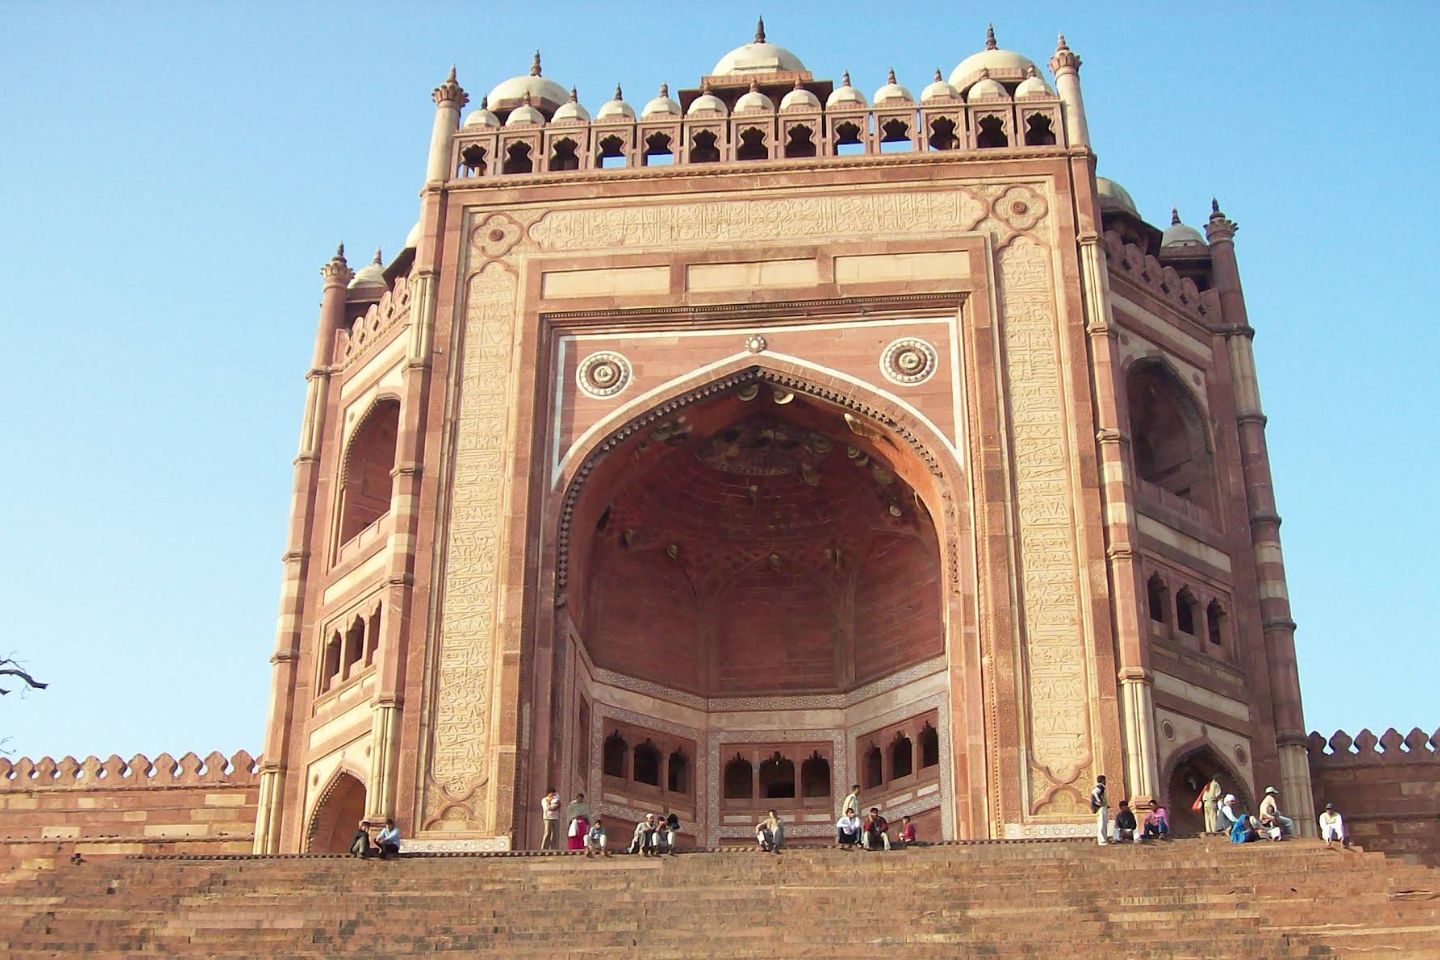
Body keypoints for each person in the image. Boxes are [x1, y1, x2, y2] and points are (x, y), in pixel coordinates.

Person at [1090, 775, 1109, 846]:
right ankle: (1102, 840)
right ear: (1103, 780)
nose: (1105, 782)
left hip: (1103, 807)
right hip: (1101, 808)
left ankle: (1103, 839)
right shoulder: (1100, 787)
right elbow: (1094, 793)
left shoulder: (1101, 787)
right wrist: (1099, 802)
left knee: (1104, 823)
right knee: (1102, 823)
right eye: (1105, 780)